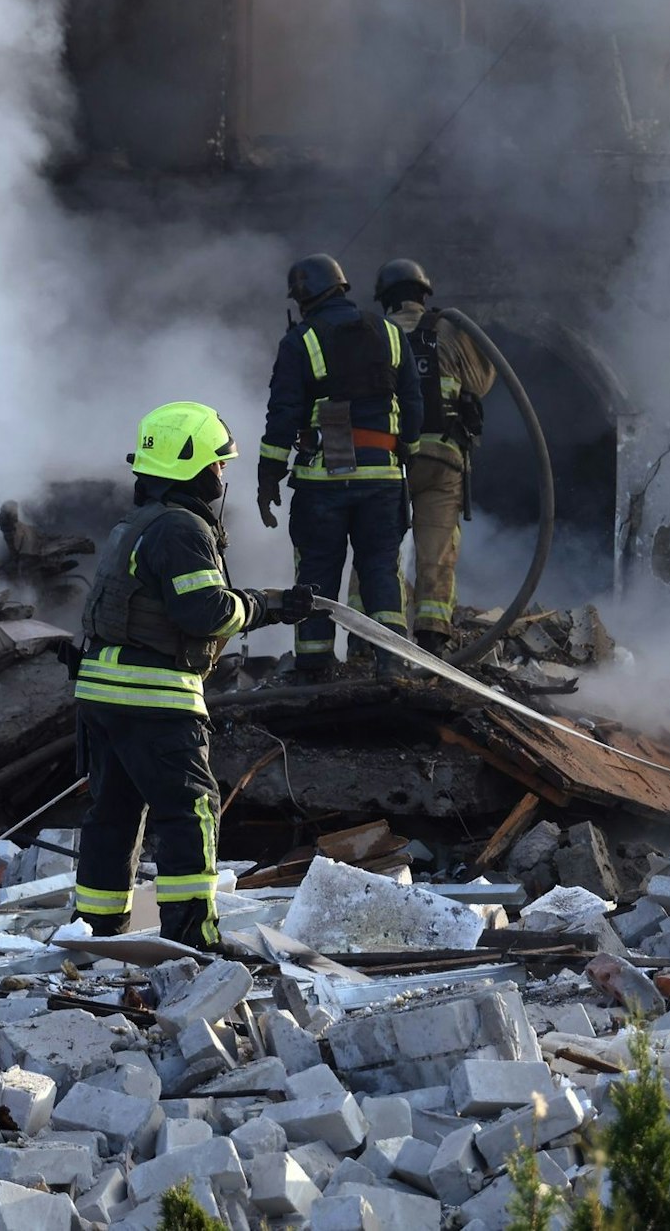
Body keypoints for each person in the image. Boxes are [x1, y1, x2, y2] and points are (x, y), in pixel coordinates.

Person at [70, 401, 316, 952]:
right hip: (154, 696)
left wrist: (269, 602)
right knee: (190, 812)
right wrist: (262, 606)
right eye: (219, 465)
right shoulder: (181, 529)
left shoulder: (135, 524)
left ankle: (93, 935)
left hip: (101, 693)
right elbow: (204, 612)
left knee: (112, 814)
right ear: (198, 467)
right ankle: (193, 938)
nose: (222, 475)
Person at [257, 253, 421, 678]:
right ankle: (391, 662)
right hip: (383, 480)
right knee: (381, 572)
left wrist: (268, 476)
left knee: (316, 572)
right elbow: (413, 402)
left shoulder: (301, 341)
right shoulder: (390, 332)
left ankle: (314, 665)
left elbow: (284, 413)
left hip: (323, 482)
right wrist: (407, 448)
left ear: (304, 295)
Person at [370, 257, 497, 656]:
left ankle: (369, 635)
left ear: (385, 298)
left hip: (388, 457)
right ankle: (432, 637)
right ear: (424, 294)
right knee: (437, 550)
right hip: (443, 457)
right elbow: (481, 382)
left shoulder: (374, 333)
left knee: (377, 546)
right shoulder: (450, 330)